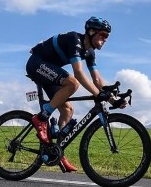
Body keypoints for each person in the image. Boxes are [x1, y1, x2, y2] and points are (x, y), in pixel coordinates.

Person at [26, 16, 121, 173]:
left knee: (68, 110)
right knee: (73, 83)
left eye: (107, 36)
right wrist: (98, 94)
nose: (105, 39)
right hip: (36, 64)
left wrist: (112, 99)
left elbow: (97, 79)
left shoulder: (90, 53)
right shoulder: (74, 39)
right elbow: (78, 73)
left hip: (50, 70)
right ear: (91, 32)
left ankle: (57, 152)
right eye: (103, 35)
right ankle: (41, 118)